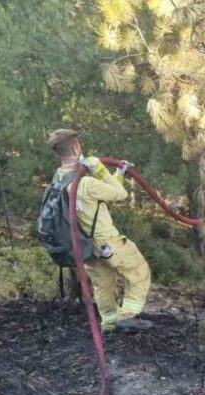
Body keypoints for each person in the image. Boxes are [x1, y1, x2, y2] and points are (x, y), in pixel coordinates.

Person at [48, 129, 152, 332]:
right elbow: (120, 194)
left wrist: (118, 174)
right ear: (76, 147)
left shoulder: (59, 180)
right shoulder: (85, 183)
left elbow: (106, 193)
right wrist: (100, 170)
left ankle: (110, 324)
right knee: (139, 272)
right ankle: (128, 317)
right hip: (106, 240)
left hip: (84, 244)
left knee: (103, 283)